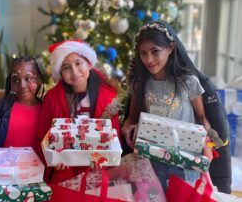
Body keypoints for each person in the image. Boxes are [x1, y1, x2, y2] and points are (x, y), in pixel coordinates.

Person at [121, 21, 231, 193]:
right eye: (143, 53)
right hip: (152, 158)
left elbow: (202, 118)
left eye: (155, 51)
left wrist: (206, 143)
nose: (149, 59)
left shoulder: (188, 82)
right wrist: (127, 129)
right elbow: (131, 119)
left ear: (171, 48)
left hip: (185, 158)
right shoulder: (140, 84)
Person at [37, 40, 120, 183]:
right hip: (65, 171)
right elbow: (43, 135)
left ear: (88, 63)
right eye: (66, 67)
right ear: (60, 73)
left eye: (78, 63)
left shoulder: (108, 97)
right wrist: (54, 159)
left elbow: (114, 136)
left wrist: (106, 158)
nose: (74, 72)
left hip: (98, 170)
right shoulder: (52, 98)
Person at [0, 55, 44, 151]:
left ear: (39, 80)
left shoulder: (48, 111)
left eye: (28, 78)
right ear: (10, 83)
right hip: (1, 165)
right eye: (15, 80)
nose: (22, 85)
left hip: (38, 166)